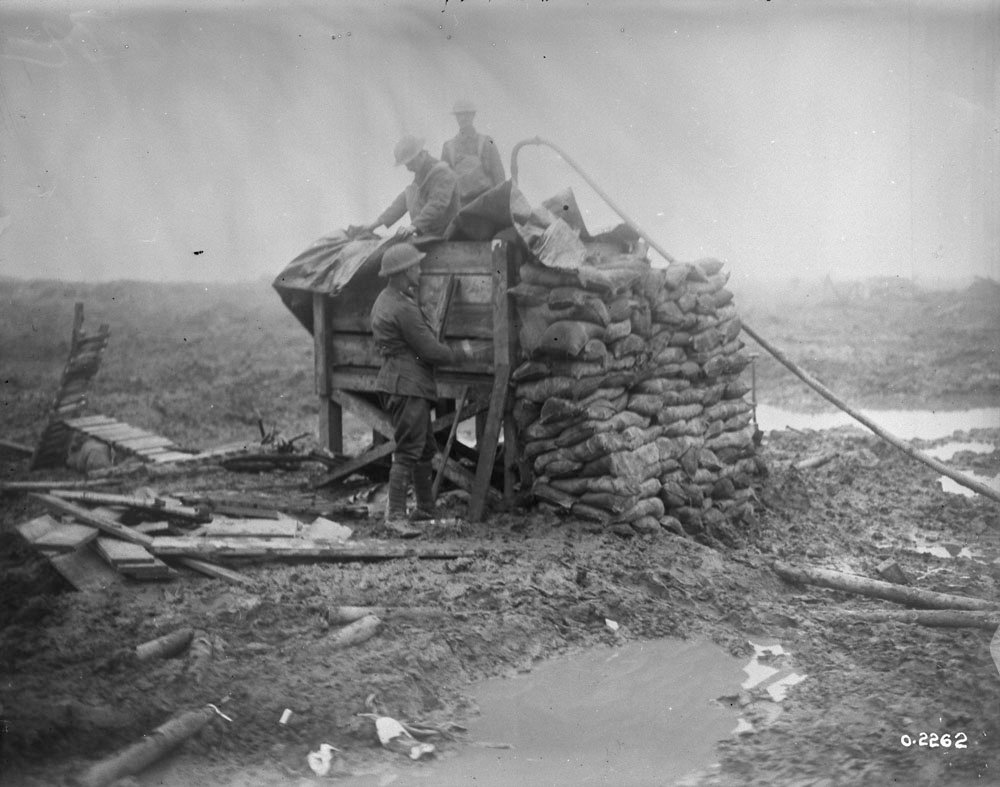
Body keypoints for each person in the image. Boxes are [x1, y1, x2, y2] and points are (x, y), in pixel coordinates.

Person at [370, 242, 475, 532]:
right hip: (408, 386)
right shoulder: (403, 308)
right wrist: (462, 353)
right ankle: (396, 516)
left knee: (424, 448)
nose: (420, 269)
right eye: (415, 266)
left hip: (401, 383)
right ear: (403, 273)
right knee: (408, 450)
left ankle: (425, 509)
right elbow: (429, 351)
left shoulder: (385, 299)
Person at [366, 135, 459, 238]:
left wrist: (413, 227)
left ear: (421, 155)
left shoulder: (442, 173)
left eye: (410, 163)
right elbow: (402, 202)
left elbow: (436, 205)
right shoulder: (421, 176)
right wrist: (373, 225)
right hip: (428, 235)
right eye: (406, 165)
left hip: (447, 235)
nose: (408, 168)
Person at [440, 98, 506, 206]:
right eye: (459, 115)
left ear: (473, 115)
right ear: (456, 117)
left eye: (467, 114)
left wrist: (500, 202)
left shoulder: (487, 141)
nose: (463, 118)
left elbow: (498, 174)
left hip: (486, 201)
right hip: (460, 204)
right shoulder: (448, 147)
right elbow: (444, 180)